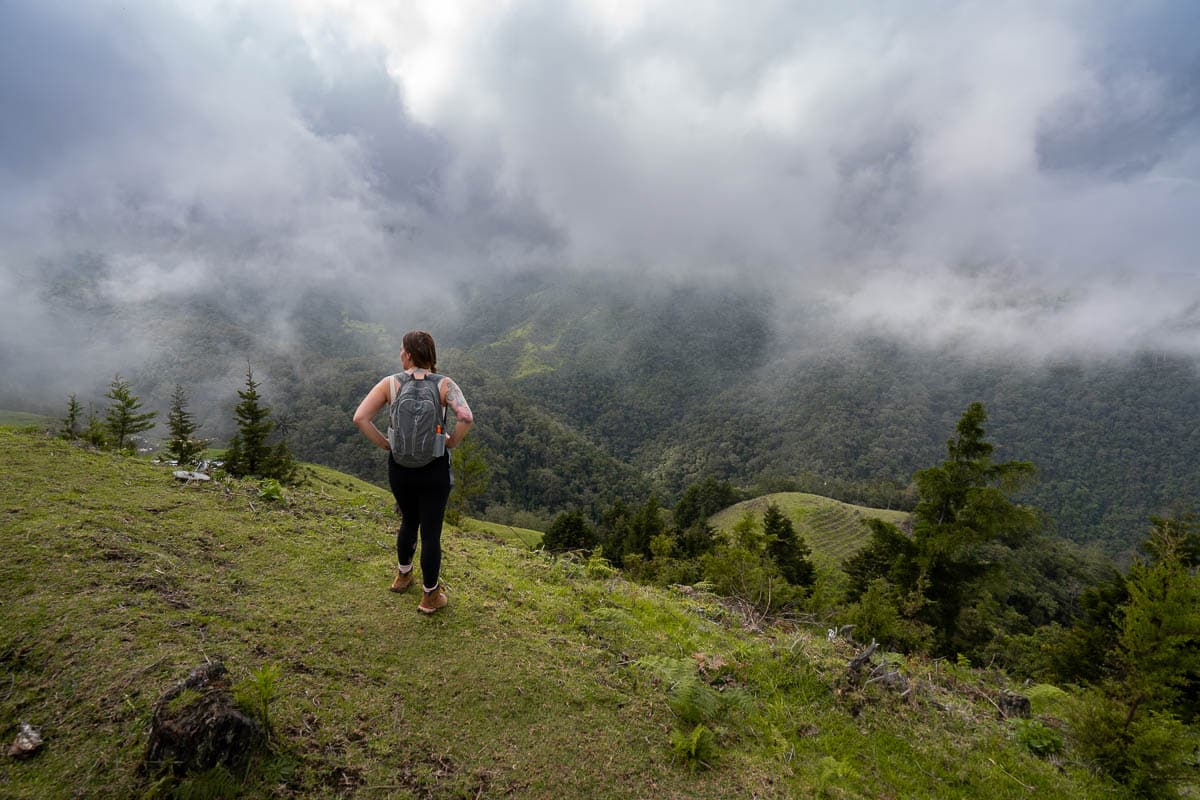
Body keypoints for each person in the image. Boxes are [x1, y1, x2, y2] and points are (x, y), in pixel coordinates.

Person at [353, 330, 474, 614]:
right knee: (431, 533)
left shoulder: (390, 384)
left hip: (400, 467)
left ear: (407, 355)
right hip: (434, 468)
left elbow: (360, 418)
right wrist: (452, 442)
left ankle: (403, 576)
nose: (399, 353)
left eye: (401, 350)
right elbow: (466, 417)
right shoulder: (445, 384)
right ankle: (430, 597)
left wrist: (386, 444)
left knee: (408, 520)